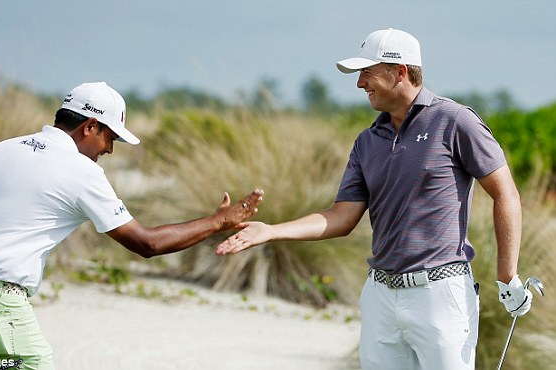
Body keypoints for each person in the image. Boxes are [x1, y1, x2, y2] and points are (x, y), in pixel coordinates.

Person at [216, 28, 532, 370]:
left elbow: (506, 194)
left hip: (441, 294)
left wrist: (507, 275)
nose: (359, 83)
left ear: (399, 72)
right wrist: (272, 231)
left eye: (367, 73)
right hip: (381, 295)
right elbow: (341, 216)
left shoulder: (454, 121)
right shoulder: (367, 141)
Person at [0, 81, 264, 369]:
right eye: (110, 137)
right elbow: (147, 243)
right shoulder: (80, 170)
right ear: (89, 126)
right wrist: (219, 220)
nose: (110, 149)